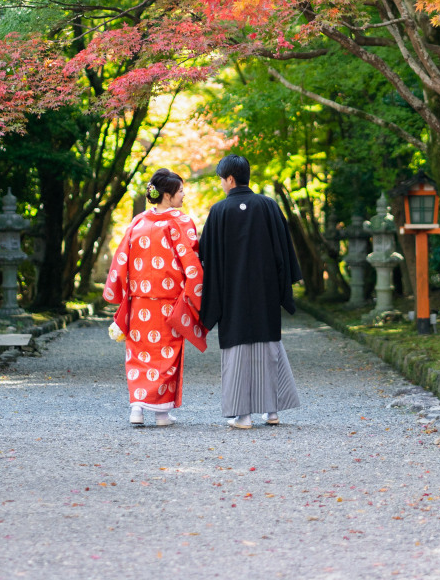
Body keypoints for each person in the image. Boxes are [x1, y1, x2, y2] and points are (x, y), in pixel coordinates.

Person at [200, 154, 302, 429]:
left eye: (222, 179)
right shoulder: (268, 206)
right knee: (269, 347)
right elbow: (284, 251)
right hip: (265, 292)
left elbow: (205, 256)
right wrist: (284, 288)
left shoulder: (219, 212)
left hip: (232, 294)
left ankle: (242, 416)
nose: (222, 184)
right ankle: (272, 411)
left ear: (230, 179)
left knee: (237, 350)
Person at [104, 168, 207, 427]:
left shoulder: (138, 222)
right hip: (168, 303)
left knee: (138, 355)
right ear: (169, 195)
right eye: (180, 191)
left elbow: (121, 261)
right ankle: (161, 413)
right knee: (167, 356)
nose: (184, 195)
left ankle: (137, 409)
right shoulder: (180, 222)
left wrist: (122, 295)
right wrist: (200, 295)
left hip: (139, 304)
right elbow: (192, 264)